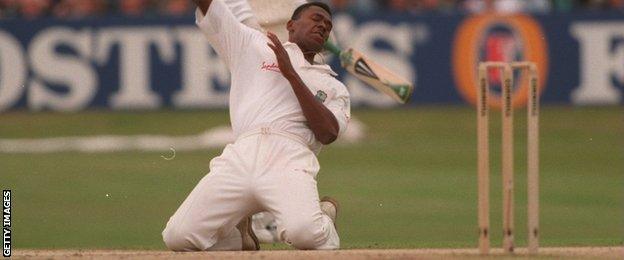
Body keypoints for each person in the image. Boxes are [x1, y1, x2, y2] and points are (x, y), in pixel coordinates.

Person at [162, 0, 350, 251]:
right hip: (241, 154)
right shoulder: (251, 44)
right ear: (291, 25)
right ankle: (236, 237)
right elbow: (210, 8)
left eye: (328, 25)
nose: (323, 26)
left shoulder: (333, 87)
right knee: (178, 237)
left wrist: (291, 74)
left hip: (290, 159)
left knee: (305, 235)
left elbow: (327, 133)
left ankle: (324, 220)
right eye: (317, 19)